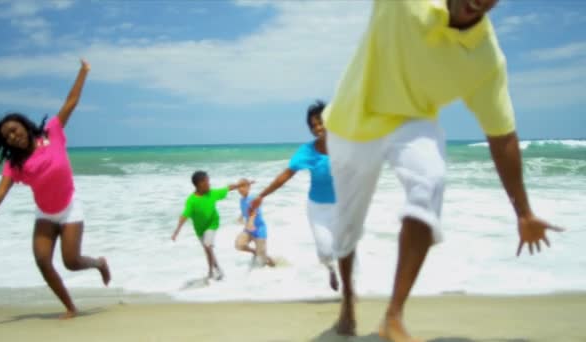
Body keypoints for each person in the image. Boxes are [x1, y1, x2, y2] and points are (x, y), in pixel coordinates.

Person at [322, 0, 565, 341]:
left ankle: (394, 317)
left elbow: (502, 135)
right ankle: (348, 300)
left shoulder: (485, 59)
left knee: (430, 181)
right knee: (347, 229)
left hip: (411, 118)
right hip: (350, 125)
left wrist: (524, 212)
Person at [0, 59, 111, 320]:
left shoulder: (52, 132)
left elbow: (70, 102)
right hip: (45, 213)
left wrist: (83, 72)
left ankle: (99, 263)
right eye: (7, 137)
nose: (13, 137)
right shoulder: (14, 164)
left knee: (71, 262)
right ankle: (70, 307)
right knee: (42, 260)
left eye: (14, 131)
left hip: (69, 207)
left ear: (24, 126)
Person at [251, 100, 339, 291]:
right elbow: (286, 175)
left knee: (347, 249)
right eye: (313, 125)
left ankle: (351, 288)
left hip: (343, 206)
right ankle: (331, 270)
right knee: (325, 251)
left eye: (320, 122)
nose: (317, 128)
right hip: (318, 209)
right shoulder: (307, 151)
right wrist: (262, 195)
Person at [171, 171, 250, 281]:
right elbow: (184, 216)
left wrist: (240, 185)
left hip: (213, 223)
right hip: (199, 229)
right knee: (208, 249)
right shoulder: (191, 201)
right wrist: (176, 231)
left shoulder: (212, 193)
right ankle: (217, 270)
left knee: (208, 246)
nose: (209, 184)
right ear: (200, 184)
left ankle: (211, 272)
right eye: (207, 182)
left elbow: (227, 188)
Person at [235, 179, 275, 267]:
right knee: (239, 245)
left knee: (263, 260)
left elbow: (253, 212)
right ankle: (255, 252)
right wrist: (241, 217)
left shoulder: (253, 198)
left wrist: (251, 222)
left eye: (242, 186)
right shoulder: (242, 200)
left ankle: (275, 266)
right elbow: (245, 210)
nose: (239, 189)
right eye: (238, 187)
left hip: (259, 229)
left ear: (248, 188)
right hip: (249, 229)